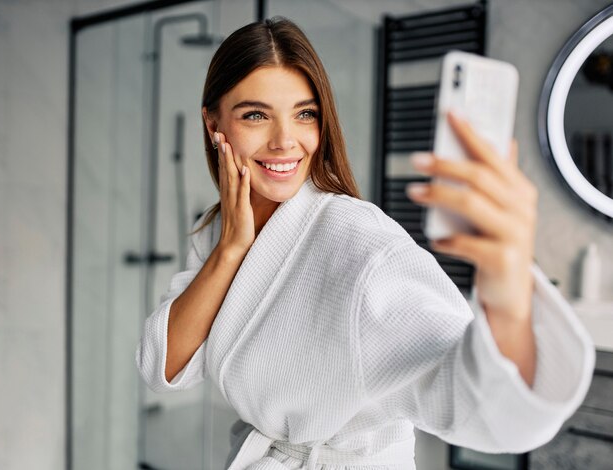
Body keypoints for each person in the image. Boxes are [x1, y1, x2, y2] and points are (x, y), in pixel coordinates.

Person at [136, 17, 594, 470]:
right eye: (256, 114)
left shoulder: (357, 240)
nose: (285, 141)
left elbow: (482, 405)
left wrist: (507, 288)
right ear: (213, 121)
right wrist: (231, 249)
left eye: (305, 114)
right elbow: (164, 366)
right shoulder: (217, 230)